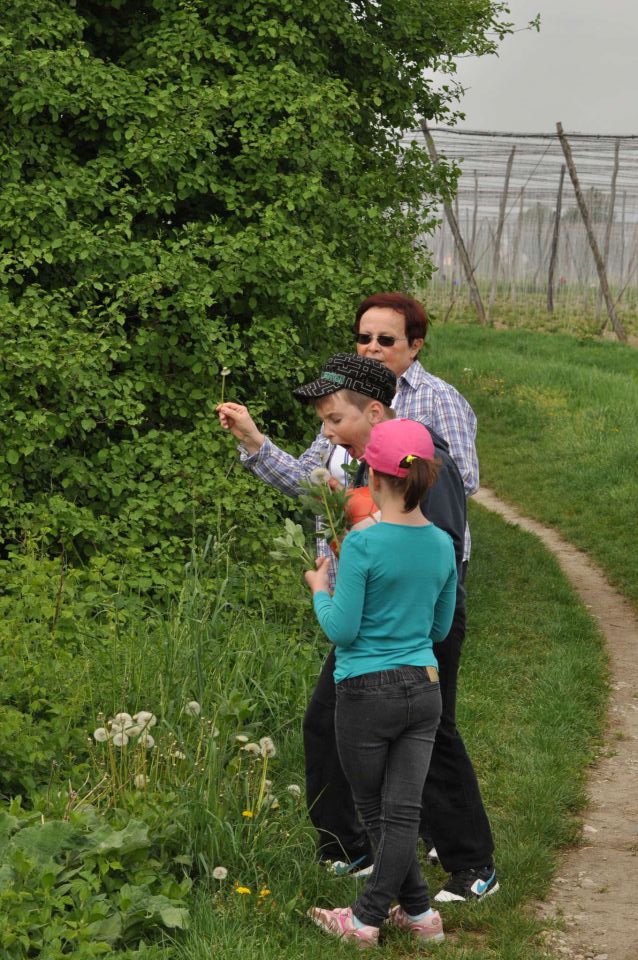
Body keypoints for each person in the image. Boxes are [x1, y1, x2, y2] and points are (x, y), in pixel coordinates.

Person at [218, 337, 497, 901]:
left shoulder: (420, 459)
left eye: (334, 419)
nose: (326, 431)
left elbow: (436, 552)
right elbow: (314, 488)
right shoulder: (356, 459)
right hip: (368, 621)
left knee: (432, 731)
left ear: (374, 411)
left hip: (416, 624)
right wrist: (255, 442)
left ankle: (473, 864)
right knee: (326, 722)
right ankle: (351, 849)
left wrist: (358, 560)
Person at [305, 418, 456, 947]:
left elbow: (341, 630)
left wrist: (320, 588)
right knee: (403, 812)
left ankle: (364, 917)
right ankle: (420, 913)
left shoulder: (362, 543)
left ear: (372, 474)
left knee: (376, 812)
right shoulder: (441, 543)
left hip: (366, 690)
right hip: (424, 688)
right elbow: (439, 628)